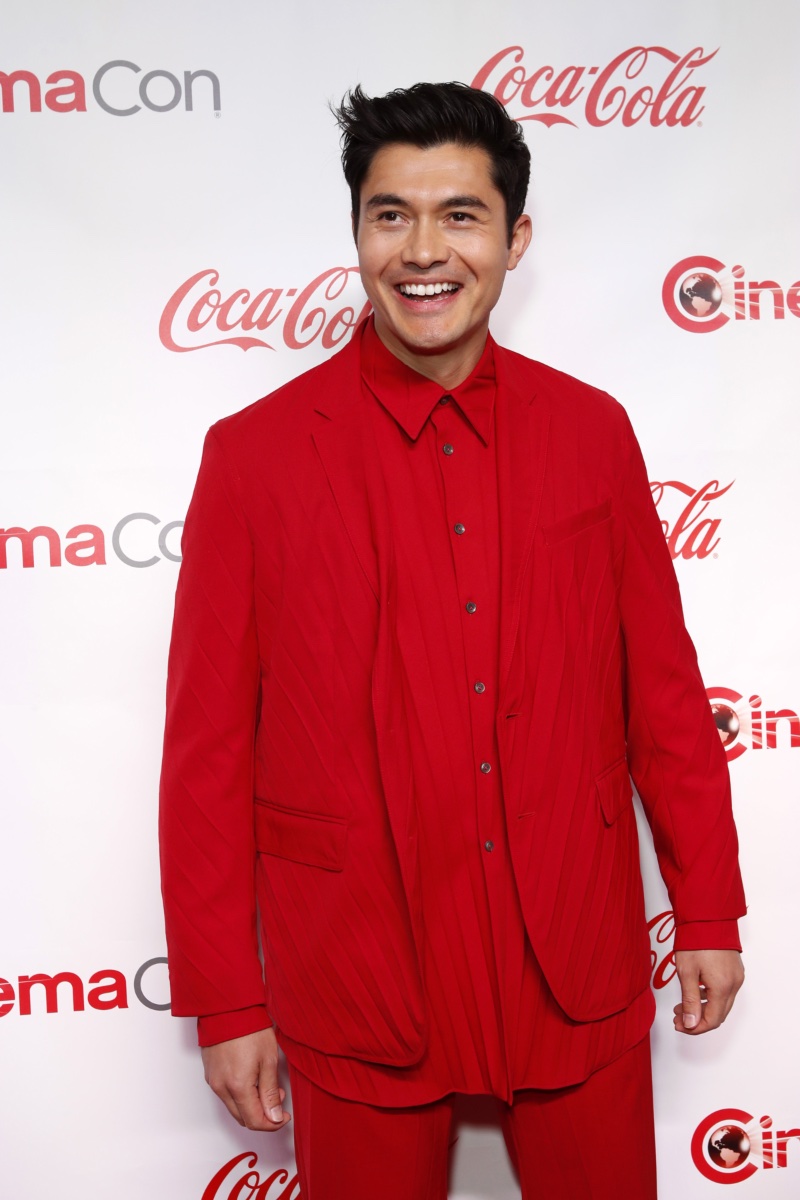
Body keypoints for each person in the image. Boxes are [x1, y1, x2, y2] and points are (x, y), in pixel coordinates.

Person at [158, 82, 746, 1198]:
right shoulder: (253, 457)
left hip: (572, 948)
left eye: (460, 215)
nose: (422, 251)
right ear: (356, 233)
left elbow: (662, 696)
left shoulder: (591, 432)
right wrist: (228, 999)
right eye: (390, 215)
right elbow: (206, 756)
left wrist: (707, 904)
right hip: (354, 962)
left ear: (514, 237)